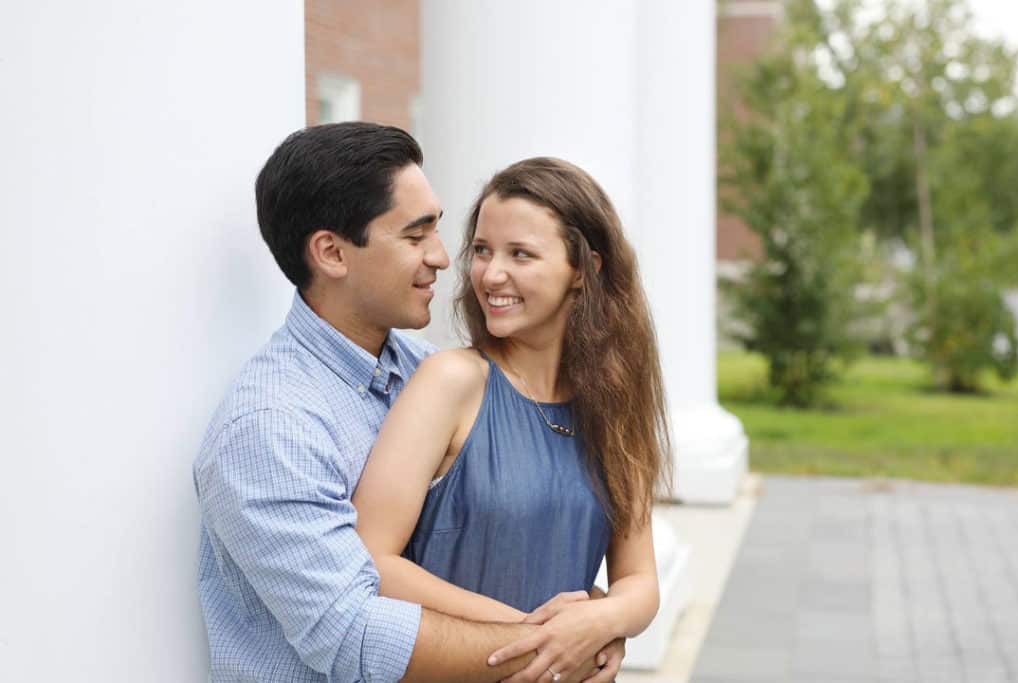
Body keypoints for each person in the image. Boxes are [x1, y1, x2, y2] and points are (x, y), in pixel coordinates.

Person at [193, 123, 623, 682]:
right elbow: (353, 636)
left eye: (438, 231)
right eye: (415, 236)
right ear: (331, 253)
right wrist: (554, 645)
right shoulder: (271, 430)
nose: (444, 258)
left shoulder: (432, 372)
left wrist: (595, 618)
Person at [353, 157, 672, 682]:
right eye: (481, 250)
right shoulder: (450, 381)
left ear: (583, 270)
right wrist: (542, 637)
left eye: (519, 254)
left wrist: (601, 623)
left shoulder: (615, 403)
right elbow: (371, 556)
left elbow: (639, 580)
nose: (489, 274)